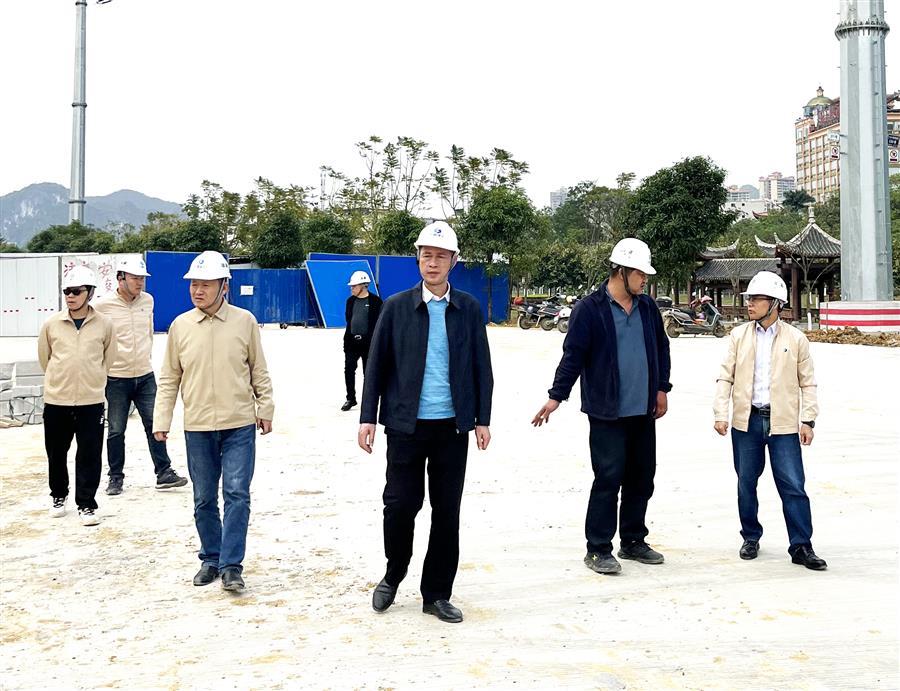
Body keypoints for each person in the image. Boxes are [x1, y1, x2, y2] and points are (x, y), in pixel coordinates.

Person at [358, 221, 493, 623]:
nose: (432, 263)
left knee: (446, 512)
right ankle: (393, 573)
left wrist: (482, 418)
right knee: (400, 505)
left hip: (452, 427)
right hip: (406, 425)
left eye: (440, 256)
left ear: (454, 261)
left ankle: (436, 594)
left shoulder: (468, 308)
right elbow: (377, 364)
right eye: (426, 255)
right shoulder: (396, 306)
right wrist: (368, 417)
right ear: (418, 259)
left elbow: (481, 366)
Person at [532, 238, 672, 575]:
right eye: (640, 273)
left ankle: (633, 540)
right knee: (608, 478)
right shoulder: (590, 309)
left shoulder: (647, 307)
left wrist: (661, 388)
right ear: (621, 271)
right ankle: (597, 549)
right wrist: (556, 396)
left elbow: (662, 348)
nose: (645, 279)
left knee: (642, 477)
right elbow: (573, 356)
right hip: (607, 411)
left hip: (643, 410)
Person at [152, 251, 275, 592]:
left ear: (224, 286)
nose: (198, 290)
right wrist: (162, 419)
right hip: (198, 426)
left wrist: (265, 407)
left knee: (237, 494)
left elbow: (258, 369)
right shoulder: (180, 326)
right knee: (204, 498)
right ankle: (211, 557)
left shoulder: (244, 322)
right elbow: (170, 378)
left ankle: (231, 566)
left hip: (239, 424)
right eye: (194, 284)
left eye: (206, 285)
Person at [713, 271, 826, 570]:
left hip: (783, 424)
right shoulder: (739, 336)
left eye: (756, 299)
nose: (749, 304)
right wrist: (720, 413)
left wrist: (808, 420)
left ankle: (801, 545)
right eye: (749, 298)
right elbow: (726, 376)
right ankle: (750, 536)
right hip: (746, 422)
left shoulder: (796, 339)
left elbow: (808, 382)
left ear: (775, 303)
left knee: (793, 485)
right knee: (746, 483)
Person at [93, 256, 188, 495]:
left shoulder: (148, 300)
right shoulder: (103, 306)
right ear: (120, 278)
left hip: (145, 375)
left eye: (142, 279)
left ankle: (164, 472)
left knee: (155, 424)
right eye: (135, 278)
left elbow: (148, 332)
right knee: (116, 430)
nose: (140, 283)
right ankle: (115, 478)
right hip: (116, 378)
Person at [38, 265, 117, 526]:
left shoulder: (104, 324)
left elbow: (108, 359)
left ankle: (86, 504)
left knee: (89, 455)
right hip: (57, 401)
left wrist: (93, 380)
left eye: (76, 291)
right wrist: (60, 380)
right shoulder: (51, 324)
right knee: (56, 453)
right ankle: (58, 495)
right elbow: (45, 358)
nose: (70, 296)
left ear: (89, 293)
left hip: (90, 402)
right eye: (66, 291)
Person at [340, 270, 383, 411]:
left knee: (368, 372)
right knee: (349, 370)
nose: (351, 289)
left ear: (364, 285)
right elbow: (349, 320)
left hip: (368, 344)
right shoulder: (350, 301)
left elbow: (379, 323)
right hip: (352, 343)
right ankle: (350, 398)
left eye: (354, 286)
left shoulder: (376, 302)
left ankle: (369, 399)